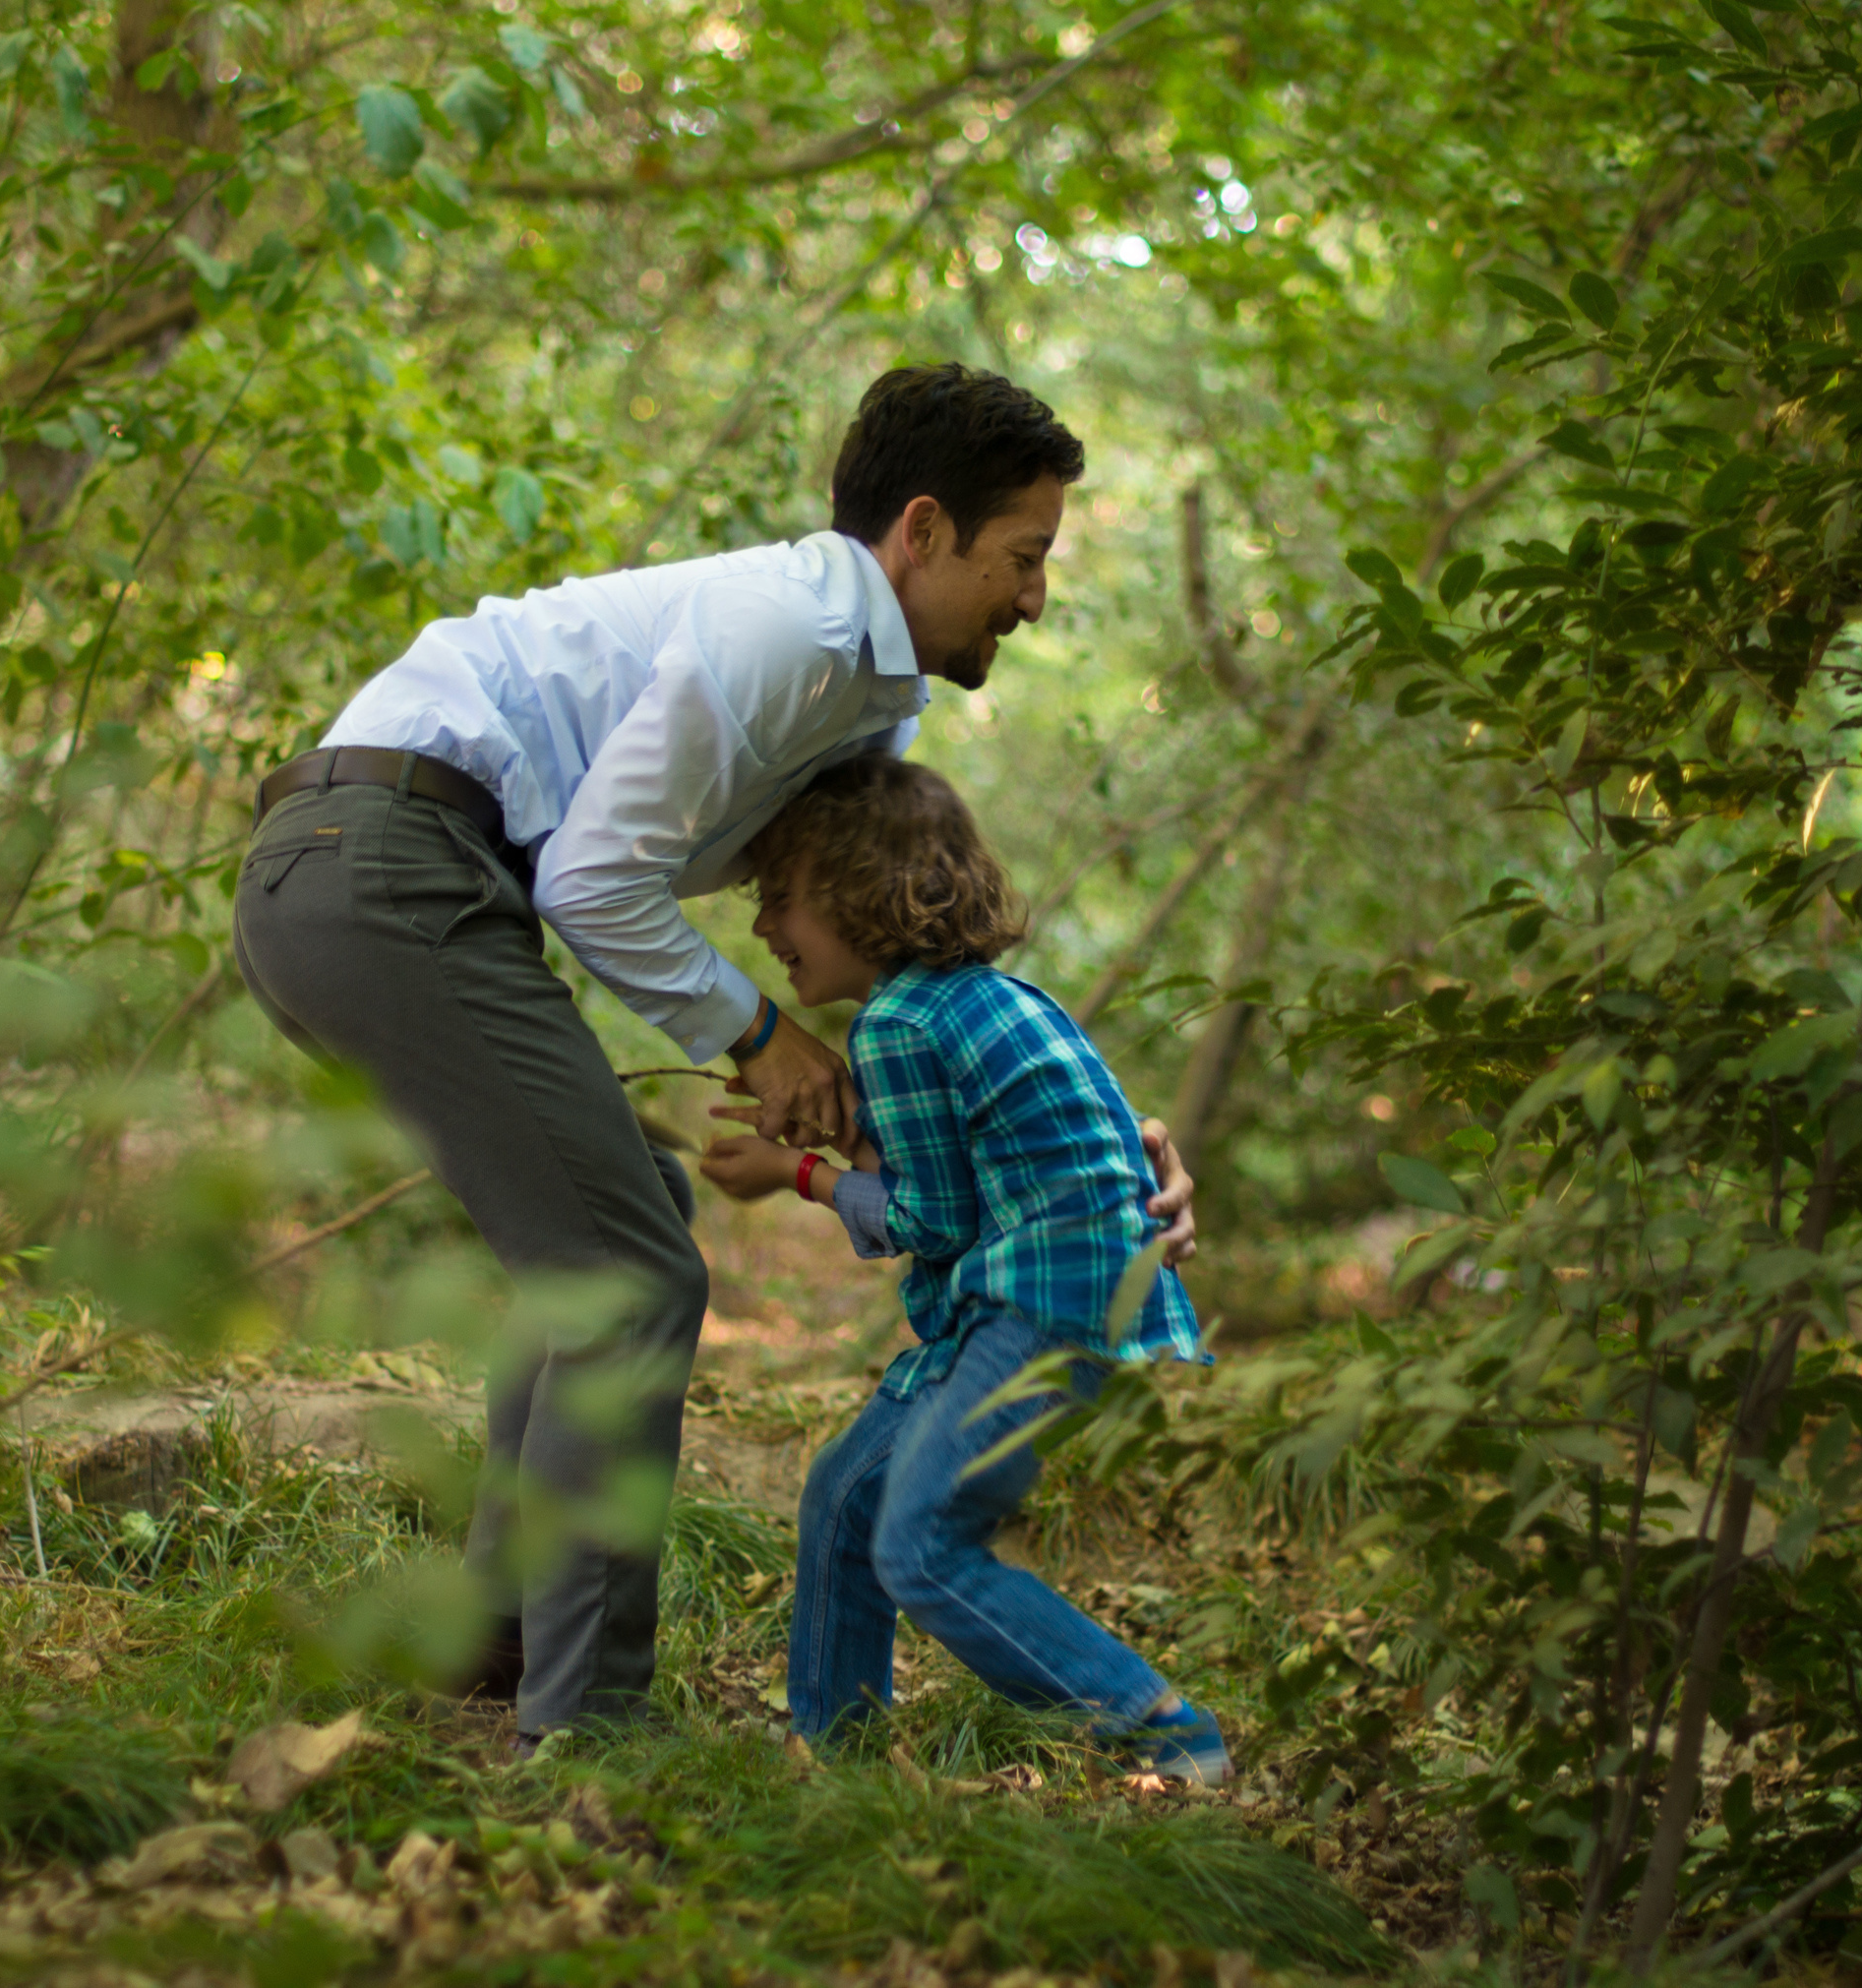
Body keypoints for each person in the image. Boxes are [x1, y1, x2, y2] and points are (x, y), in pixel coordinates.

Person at [230, 364, 1196, 1751]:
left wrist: (1103, 1146)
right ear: (923, 530)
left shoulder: (866, 697)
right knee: (631, 1271)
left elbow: (910, 944)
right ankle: (589, 1733)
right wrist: (756, 1034)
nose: (1036, 597)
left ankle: (505, 1637)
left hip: (390, 880)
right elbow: (592, 877)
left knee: (626, 1221)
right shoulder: (790, 633)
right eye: (1024, 556)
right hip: (377, 866)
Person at [697, 755, 1229, 1783]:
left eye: (779, 895)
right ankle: (835, 1749)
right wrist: (844, 1134)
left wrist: (796, 1173)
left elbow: (928, 1219)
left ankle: (1160, 1728)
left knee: (921, 1545)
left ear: (858, 890)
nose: (762, 925)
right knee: (844, 1496)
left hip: (1034, 1303)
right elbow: (985, 1172)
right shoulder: (990, 998)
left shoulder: (896, 1023)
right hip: (1055, 1295)